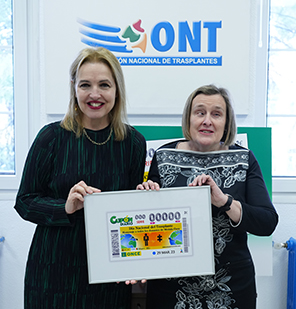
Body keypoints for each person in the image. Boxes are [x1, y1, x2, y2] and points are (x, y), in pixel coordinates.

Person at [14, 47, 147, 309]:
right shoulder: (51, 137)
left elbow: (132, 213)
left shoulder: (133, 143)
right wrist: (65, 206)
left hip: (109, 274)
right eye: (85, 84)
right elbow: (25, 201)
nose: (94, 94)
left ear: (116, 90)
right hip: (53, 269)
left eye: (104, 85)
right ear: (74, 88)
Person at [137, 84, 279, 309]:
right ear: (189, 118)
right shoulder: (163, 156)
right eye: (200, 112)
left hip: (232, 288)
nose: (207, 121)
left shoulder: (244, 159)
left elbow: (267, 222)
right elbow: (149, 224)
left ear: (227, 123)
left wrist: (224, 202)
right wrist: (144, 201)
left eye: (216, 114)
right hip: (171, 290)